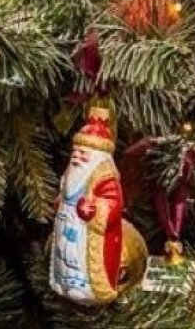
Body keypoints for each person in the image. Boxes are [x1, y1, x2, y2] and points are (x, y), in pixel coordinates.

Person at [49, 107, 124, 305]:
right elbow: (64, 193)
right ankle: (63, 281)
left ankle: (82, 286)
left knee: (75, 255)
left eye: (83, 153)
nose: (76, 156)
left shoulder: (105, 178)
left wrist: (94, 209)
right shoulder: (70, 173)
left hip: (85, 231)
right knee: (63, 251)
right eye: (75, 152)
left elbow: (114, 204)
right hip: (67, 222)